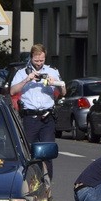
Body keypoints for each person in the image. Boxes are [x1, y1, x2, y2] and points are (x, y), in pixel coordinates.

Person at [10, 44, 63, 177]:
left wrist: (55, 83)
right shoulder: (22, 72)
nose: (39, 63)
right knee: (29, 152)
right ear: (31, 57)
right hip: (30, 117)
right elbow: (12, 91)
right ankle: (30, 179)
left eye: (42, 60)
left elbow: (64, 91)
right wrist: (27, 80)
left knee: (47, 152)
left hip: (47, 117)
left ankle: (47, 183)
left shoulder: (52, 71)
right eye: (36, 60)